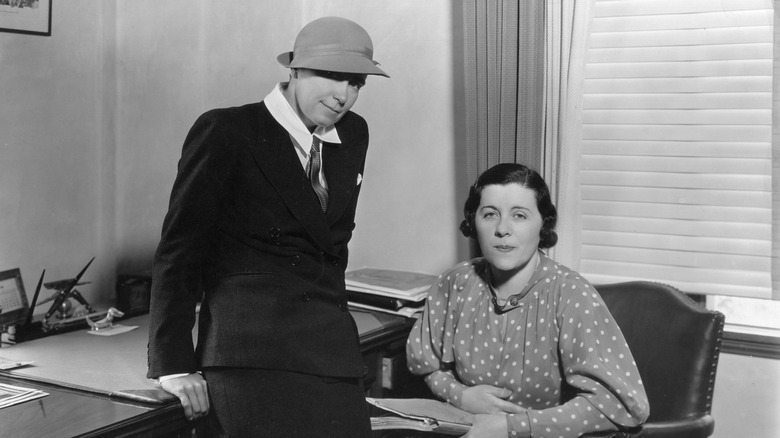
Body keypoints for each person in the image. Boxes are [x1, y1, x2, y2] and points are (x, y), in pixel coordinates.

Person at [146, 16, 389, 437]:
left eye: (356, 83)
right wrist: (173, 364)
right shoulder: (227, 131)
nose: (343, 96)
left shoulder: (353, 134)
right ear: (293, 69)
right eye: (331, 76)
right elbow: (180, 250)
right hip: (251, 352)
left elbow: (332, 246)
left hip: (331, 347)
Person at [406, 163, 649, 438]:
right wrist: (460, 395)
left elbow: (619, 406)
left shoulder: (571, 294)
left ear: (542, 225)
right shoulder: (454, 283)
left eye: (519, 216)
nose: (502, 229)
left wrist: (513, 427)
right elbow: (426, 364)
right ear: (474, 221)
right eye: (489, 214)